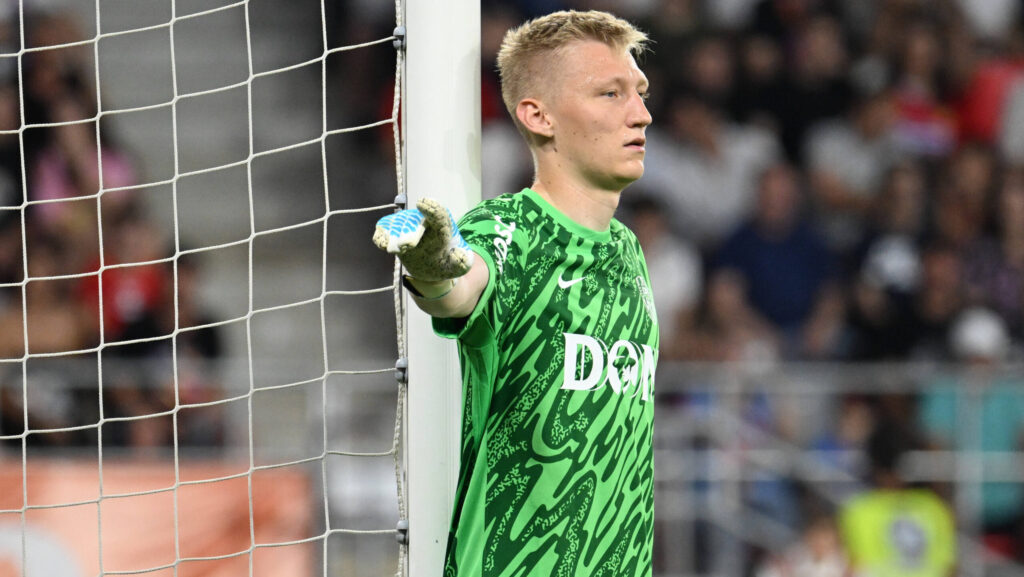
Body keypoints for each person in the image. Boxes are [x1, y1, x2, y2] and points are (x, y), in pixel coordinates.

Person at [372, 10, 658, 576]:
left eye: (640, 93)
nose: (641, 113)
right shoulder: (507, 230)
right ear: (538, 115)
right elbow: (462, 285)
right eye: (611, 93)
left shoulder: (629, 250)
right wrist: (434, 269)